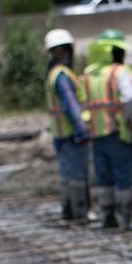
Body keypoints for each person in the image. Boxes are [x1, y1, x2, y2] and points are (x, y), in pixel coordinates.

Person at [82, 29, 132, 230]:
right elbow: (129, 97)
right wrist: (128, 118)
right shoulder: (119, 72)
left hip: (96, 133)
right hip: (118, 132)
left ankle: (107, 217)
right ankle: (125, 218)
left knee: (104, 176)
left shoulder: (89, 74)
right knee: (123, 175)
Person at [44, 28, 91, 222]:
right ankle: (79, 213)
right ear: (63, 51)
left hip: (60, 134)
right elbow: (71, 105)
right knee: (76, 176)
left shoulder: (52, 73)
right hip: (72, 135)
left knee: (66, 174)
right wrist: (82, 129)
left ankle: (68, 211)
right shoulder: (62, 75)